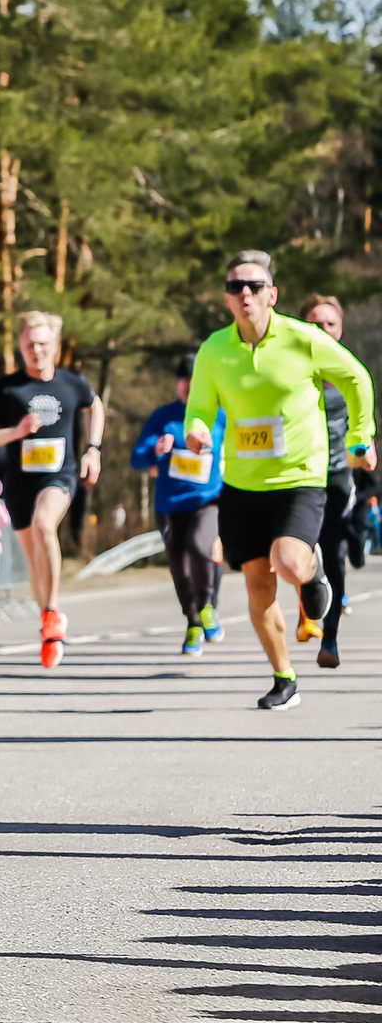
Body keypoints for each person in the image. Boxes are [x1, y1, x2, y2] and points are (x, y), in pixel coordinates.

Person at [184, 253, 375, 710]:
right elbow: (200, 408)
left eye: (254, 285)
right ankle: (284, 676)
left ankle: (314, 571)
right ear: (227, 299)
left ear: (272, 294)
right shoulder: (214, 351)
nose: (244, 293)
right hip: (244, 484)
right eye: (235, 287)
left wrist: (360, 435)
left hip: (299, 477)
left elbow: (356, 378)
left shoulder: (302, 339)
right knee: (257, 586)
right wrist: (196, 429)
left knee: (288, 562)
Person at [0, 311, 102, 669]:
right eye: (30, 344)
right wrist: (15, 432)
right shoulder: (8, 388)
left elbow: (95, 406)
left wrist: (94, 449)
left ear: (56, 345)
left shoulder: (72, 383)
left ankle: (54, 609)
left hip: (59, 475)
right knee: (33, 558)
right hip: (19, 483)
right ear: (20, 346)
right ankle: (48, 624)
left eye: (43, 344)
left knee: (46, 525)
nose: (37, 350)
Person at [132, 352, 225, 655]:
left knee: (201, 547)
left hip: (207, 500)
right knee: (178, 568)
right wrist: (157, 449)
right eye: (184, 379)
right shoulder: (163, 417)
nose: (188, 385)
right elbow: (138, 457)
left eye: (195, 380)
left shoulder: (220, 415)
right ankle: (193, 622)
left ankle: (209, 604)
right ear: (177, 384)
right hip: (170, 505)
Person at [300, 294, 360, 669]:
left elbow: (365, 419)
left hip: (337, 474)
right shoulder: (289, 370)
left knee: (333, 551)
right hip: (295, 475)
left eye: (330, 324)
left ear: (341, 330)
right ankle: (308, 606)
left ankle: (331, 638)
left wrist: (365, 445)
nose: (322, 330)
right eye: (315, 323)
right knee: (294, 550)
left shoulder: (351, 372)